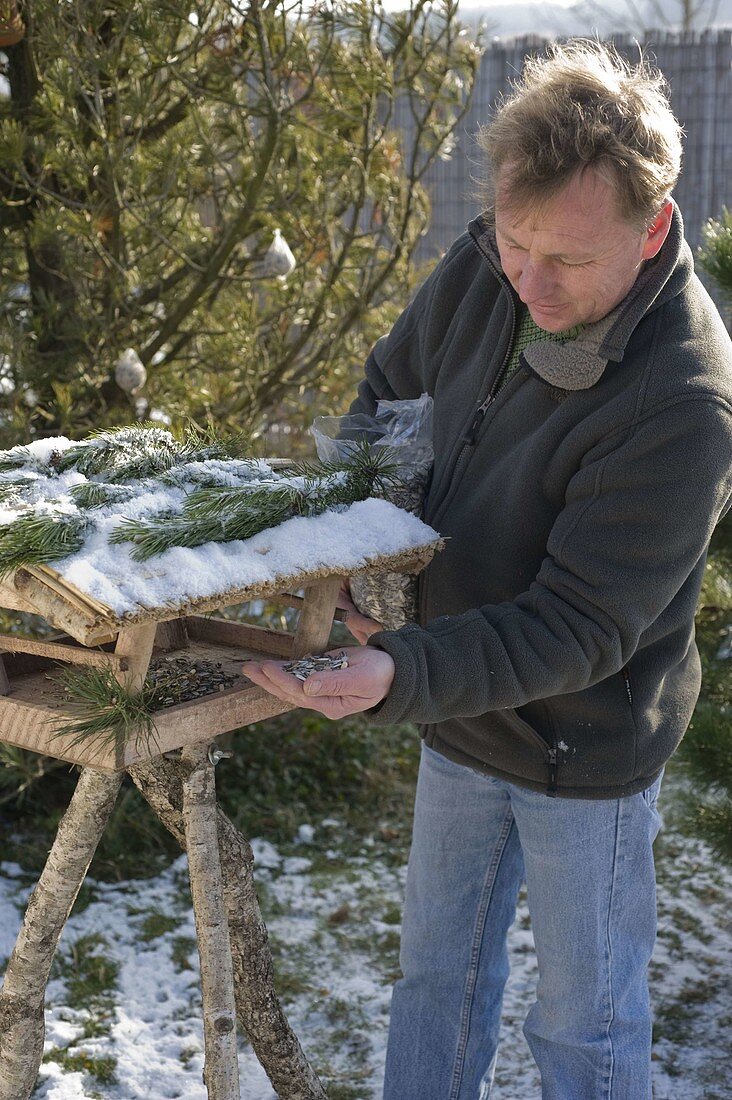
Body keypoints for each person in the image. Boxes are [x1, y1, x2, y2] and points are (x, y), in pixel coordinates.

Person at [244, 40, 732, 1099]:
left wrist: (401, 672)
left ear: (651, 231)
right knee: (435, 983)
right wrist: (352, 550)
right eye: (516, 243)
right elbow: (390, 393)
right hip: (456, 711)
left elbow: (578, 627)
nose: (530, 281)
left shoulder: (682, 401)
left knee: (585, 1031)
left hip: (584, 750)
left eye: (567, 260)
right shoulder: (489, 265)